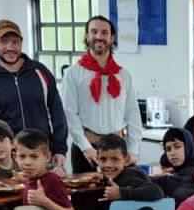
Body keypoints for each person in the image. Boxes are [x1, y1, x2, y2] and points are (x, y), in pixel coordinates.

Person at [0, 20, 68, 168]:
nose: (10, 47)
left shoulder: (40, 72)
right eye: (4, 42)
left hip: (41, 156)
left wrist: (60, 149)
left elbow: (57, 112)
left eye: (15, 42)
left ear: (21, 43)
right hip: (5, 161)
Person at [61, 15, 143, 173]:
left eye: (104, 32)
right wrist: (86, 148)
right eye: (94, 32)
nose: (99, 36)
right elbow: (69, 113)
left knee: (119, 190)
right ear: (87, 36)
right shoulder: (73, 73)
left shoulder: (124, 75)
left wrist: (133, 149)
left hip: (118, 150)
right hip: (87, 150)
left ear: (111, 38)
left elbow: (132, 112)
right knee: (87, 190)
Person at [95, 133, 165, 204]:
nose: (108, 165)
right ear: (97, 160)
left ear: (126, 160)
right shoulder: (117, 173)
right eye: (103, 159)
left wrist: (121, 193)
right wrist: (103, 178)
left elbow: (156, 191)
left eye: (115, 159)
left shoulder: (129, 174)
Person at [153, 127, 194, 205]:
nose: (172, 153)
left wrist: (158, 179)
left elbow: (174, 185)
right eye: (168, 149)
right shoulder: (179, 169)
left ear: (189, 147)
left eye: (177, 146)